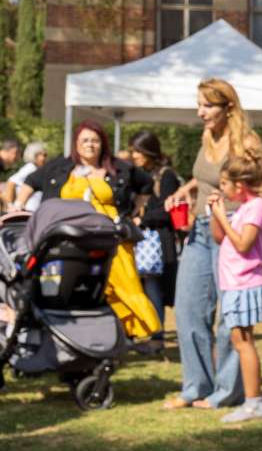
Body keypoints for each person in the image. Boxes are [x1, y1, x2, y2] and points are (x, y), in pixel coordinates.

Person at [162, 78, 262, 410]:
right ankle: (195, 386)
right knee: (188, 309)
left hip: (231, 231)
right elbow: (205, 176)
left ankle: (226, 390)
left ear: (229, 107)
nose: (200, 112)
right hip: (199, 230)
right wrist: (184, 191)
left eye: (207, 106)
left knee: (229, 316)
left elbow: (258, 186)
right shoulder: (208, 136)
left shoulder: (247, 143)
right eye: (199, 105)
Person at [16, 121, 161, 340]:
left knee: (124, 287)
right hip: (68, 240)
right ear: (76, 143)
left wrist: (134, 213)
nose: (90, 145)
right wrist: (18, 205)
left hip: (111, 237)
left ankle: (124, 335)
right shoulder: (60, 166)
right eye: (85, 140)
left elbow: (146, 183)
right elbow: (31, 181)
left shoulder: (119, 168)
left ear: (103, 144)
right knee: (76, 287)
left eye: (95, 140)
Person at [208, 156, 262, 424]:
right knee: (240, 342)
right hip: (234, 284)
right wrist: (216, 214)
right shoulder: (245, 207)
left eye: (225, 183)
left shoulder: (257, 207)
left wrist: (223, 217)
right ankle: (252, 401)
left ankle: (254, 403)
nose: (222, 188)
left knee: (243, 343)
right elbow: (219, 237)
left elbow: (244, 244)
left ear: (240, 184)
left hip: (245, 283)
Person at [129, 131, 182, 342]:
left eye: (137, 151)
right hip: (139, 240)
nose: (134, 156)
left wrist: (142, 220)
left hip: (157, 242)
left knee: (154, 288)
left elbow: (167, 211)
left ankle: (156, 335)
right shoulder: (137, 174)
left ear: (148, 151)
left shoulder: (166, 176)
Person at [3, 141, 48, 211]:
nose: (45, 159)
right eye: (44, 155)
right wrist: (10, 205)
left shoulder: (36, 169)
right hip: (27, 211)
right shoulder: (31, 168)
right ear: (35, 155)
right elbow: (11, 182)